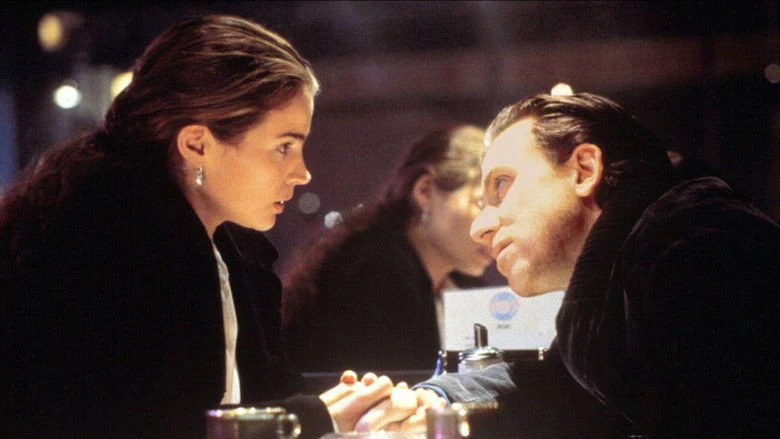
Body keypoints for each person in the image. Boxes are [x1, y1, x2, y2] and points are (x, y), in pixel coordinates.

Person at [0, 15, 394, 438]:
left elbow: (254, 399)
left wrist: (345, 408)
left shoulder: (232, 245)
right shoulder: (107, 248)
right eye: (284, 147)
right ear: (197, 144)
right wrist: (312, 417)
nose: (302, 173)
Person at [348, 92, 780, 437]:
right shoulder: (629, 271)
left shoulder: (698, 251)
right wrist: (436, 400)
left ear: (584, 170)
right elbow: (557, 388)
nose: (481, 226)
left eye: (502, 184)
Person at [282, 124, 494, 372]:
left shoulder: (461, 283)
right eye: (482, 204)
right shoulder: (373, 269)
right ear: (425, 192)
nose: (492, 224)